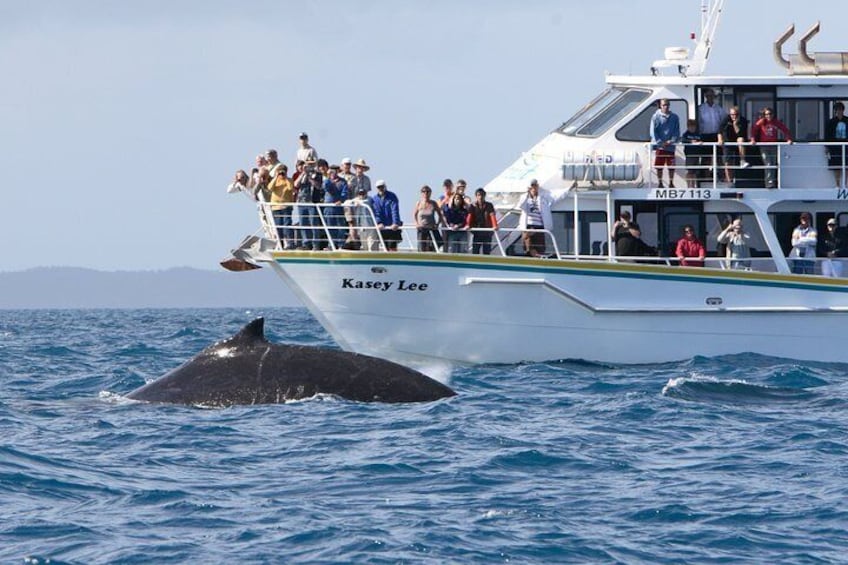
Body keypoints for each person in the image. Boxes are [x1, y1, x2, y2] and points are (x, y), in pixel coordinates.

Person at [751, 107, 792, 188]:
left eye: (770, 114)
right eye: (766, 114)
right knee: (768, 163)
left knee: (773, 163)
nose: (768, 116)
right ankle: (769, 183)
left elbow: (785, 130)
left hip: (773, 145)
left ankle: (772, 182)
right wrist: (753, 139)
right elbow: (753, 130)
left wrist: (789, 139)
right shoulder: (762, 122)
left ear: (773, 114)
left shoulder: (776, 122)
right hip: (764, 146)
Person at [517, 179, 553, 257]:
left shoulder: (542, 197)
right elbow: (520, 205)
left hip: (539, 226)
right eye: (532, 186)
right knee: (528, 245)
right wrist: (527, 194)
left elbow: (556, 195)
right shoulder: (524, 197)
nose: (534, 188)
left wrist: (569, 189)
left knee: (540, 248)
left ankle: (539, 257)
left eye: (535, 186)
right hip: (528, 226)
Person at [649, 98, 680, 188]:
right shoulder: (655, 117)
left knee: (671, 166)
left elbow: (676, 131)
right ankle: (660, 183)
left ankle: (671, 183)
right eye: (663, 105)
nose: (665, 107)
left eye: (667, 105)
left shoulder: (675, 117)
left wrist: (671, 140)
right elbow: (653, 131)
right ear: (660, 106)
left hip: (670, 146)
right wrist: (660, 142)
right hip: (660, 147)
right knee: (659, 166)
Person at [717, 106, 750, 184]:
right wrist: (720, 139)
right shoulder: (726, 119)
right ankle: (729, 181)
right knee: (728, 162)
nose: (733, 116)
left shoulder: (743, 120)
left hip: (737, 142)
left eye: (735, 114)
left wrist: (735, 124)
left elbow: (740, 134)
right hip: (727, 142)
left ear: (738, 114)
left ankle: (742, 160)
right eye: (732, 114)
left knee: (740, 139)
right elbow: (719, 130)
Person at [268, 164, 296, 249]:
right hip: (276, 207)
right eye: (280, 172)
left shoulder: (289, 180)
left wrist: (286, 178)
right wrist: (276, 177)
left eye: (283, 172)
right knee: (278, 227)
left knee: (287, 225)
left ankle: (290, 243)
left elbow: (290, 188)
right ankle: (280, 244)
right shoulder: (275, 181)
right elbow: (270, 188)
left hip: (286, 207)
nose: (281, 174)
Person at [370, 180, 402, 251]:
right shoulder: (375, 199)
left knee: (392, 245)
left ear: (385, 187)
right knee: (384, 246)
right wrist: (379, 223)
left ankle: (394, 260)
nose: (381, 189)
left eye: (382, 187)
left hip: (392, 226)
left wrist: (395, 223)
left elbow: (395, 210)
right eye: (379, 187)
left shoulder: (392, 196)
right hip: (382, 227)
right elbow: (376, 212)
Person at [323, 165, 349, 249]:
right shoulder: (327, 181)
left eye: (334, 171)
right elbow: (326, 187)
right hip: (328, 207)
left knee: (340, 226)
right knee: (329, 226)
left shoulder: (343, 181)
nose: (333, 173)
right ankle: (331, 244)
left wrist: (341, 200)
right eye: (331, 171)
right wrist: (328, 177)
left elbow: (345, 193)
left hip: (338, 207)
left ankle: (340, 244)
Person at [412, 185, 444, 252]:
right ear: (421, 193)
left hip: (431, 228)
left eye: (428, 191)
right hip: (422, 229)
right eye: (424, 191)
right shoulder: (419, 203)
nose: (426, 193)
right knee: (421, 247)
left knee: (434, 246)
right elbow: (414, 215)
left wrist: (437, 224)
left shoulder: (433, 203)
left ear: (430, 193)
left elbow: (440, 215)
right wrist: (416, 223)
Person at [467, 188, 499, 255]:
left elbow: (492, 215)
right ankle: (475, 265)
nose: (480, 197)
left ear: (484, 196)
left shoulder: (489, 205)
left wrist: (495, 226)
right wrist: (468, 225)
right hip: (477, 233)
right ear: (476, 196)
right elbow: (469, 216)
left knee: (486, 252)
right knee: (475, 251)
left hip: (487, 233)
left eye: (482, 195)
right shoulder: (472, 206)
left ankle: (487, 265)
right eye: (478, 195)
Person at [342, 186, 373, 250]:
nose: (362, 195)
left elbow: (367, 201)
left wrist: (359, 203)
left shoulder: (369, 199)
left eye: (363, 194)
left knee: (371, 246)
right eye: (360, 194)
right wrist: (353, 203)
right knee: (364, 245)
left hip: (370, 226)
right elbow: (346, 202)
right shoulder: (356, 200)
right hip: (361, 227)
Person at [825, 101, 848, 187]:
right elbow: (827, 135)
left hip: (846, 146)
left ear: (843, 110)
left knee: (847, 166)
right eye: (837, 110)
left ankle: (846, 184)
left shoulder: (847, 121)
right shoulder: (831, 122)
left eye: (840, 109)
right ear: (835, 111)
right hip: (835, 147)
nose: (839, 111)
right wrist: (827, 147)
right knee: (836, 166)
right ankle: (837, 184)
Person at [681, 119, 706, 188]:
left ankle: (693, 185)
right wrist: (691, 141)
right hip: (689, 155)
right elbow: (683, 140)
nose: (692, 128)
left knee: (695, 172)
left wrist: (700, 143)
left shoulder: (698, 134)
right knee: (690, 171)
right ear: (688, 127)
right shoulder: (686, 134)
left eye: (693, 126)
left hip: (696, 155)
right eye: (690, 126)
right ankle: (689, 186)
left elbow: (701, 140)